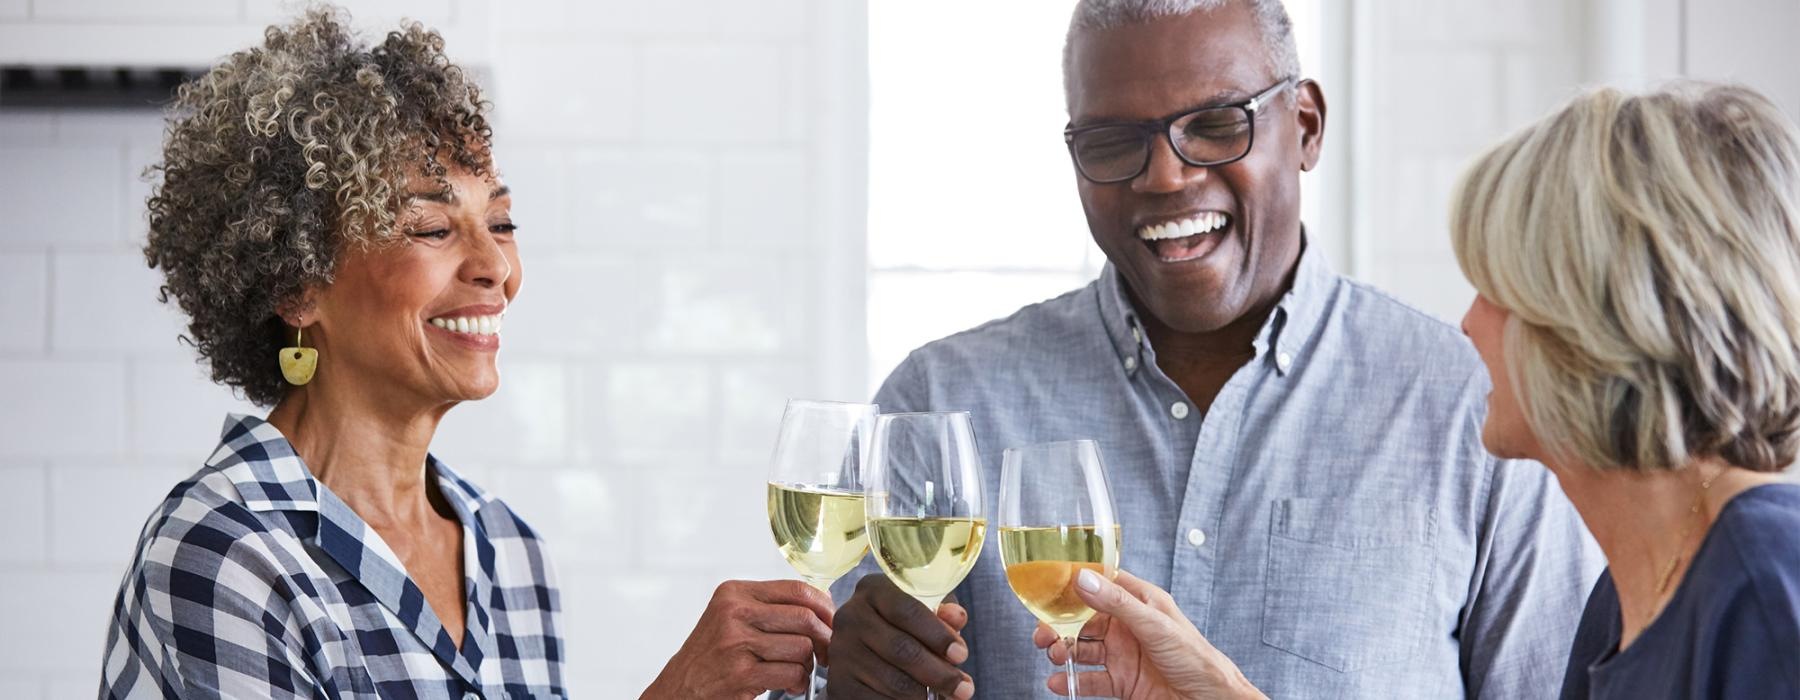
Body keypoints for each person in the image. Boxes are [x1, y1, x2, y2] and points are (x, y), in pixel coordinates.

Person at [821, 0, 1601, 697]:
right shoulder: (942, 404)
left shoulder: (1477, 405)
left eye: (1216, 125)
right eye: (1112, 141)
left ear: (1305, 128)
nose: (1165, 176)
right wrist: (843, 688)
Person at [98, 9, 832, 698]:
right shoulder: (228, 553)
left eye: (502, 221)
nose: (496, 268)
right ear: (297, 284)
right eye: (432, 228)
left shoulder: (511, 555)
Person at [1034, 81, 1800, 699]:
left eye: (1497, 291)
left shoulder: (1767, 581)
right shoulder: (1628, 602)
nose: (1469, 325)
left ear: (1598, 319)